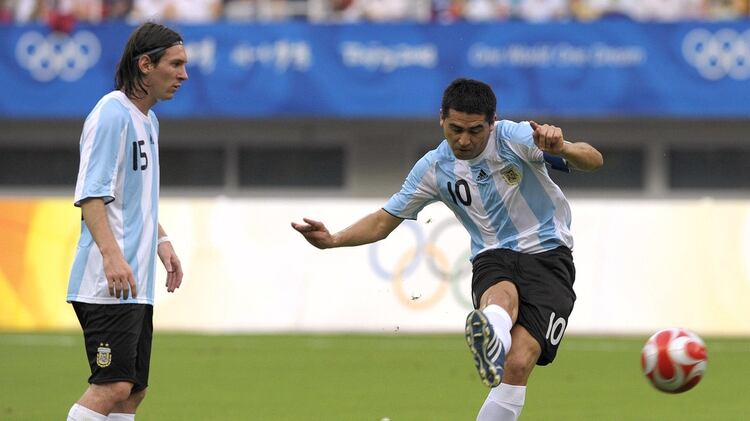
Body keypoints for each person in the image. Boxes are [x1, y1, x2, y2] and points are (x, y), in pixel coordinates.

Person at [291, 78, 603, 421]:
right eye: (455, 129)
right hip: (492, 254)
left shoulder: (517, 138)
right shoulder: (434, 168)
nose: (464, 140)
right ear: (441, 119)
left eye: (475, 130)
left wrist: (562, 148)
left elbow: (594, 160)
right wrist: (333, 238)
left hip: (548, 254)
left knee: (519, 363)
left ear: (492, 122)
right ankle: (492, 335)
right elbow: (383, 222)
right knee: (501, 296)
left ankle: (494, 341)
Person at [66, 22, 187, 421]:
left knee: (133, 392)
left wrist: (161, 241)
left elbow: (135, 201)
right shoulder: (110, 114)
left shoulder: (148, 121)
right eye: (176, 64)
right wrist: (112, 257)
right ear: (145, 65)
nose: (184, 75)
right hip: (107, 282)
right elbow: (91, 195)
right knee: (111, 385)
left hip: (136, 283)